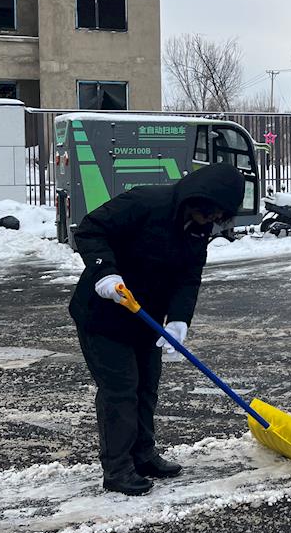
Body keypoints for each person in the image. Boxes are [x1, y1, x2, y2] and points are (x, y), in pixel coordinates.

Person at [69, 163, 244, 496]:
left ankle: (143, 455)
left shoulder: (197, 227)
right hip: (103, 314)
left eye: (217, 217)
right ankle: (117, 468)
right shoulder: (146, 202)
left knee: (147, 387)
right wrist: (105, 272)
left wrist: (179, 320)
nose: (211, 222)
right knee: (121, 390)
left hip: (145, 318)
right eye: (210, 214)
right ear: (199, 198)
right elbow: (90, 229)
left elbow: (189, 275)